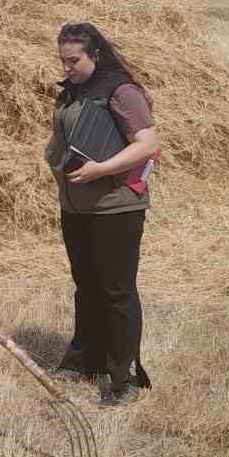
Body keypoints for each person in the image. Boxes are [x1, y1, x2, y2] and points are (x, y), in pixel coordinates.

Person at [44, 22, 161, 407]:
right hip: (76, 207)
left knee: (117, 291)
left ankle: (124, 376)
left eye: (74, 60)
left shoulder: (121, 91)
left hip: (116, 208)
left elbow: (147, 144)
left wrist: (102, 169)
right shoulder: (73, 91)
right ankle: (84, 361)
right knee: (87, 286)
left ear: (95, 55)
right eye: (63, 60)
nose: (67, 68)